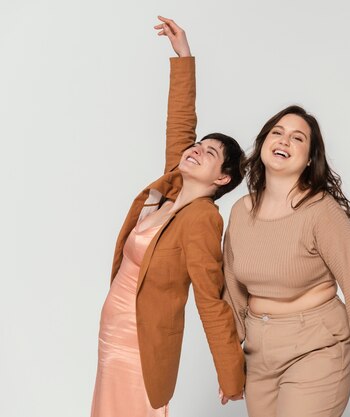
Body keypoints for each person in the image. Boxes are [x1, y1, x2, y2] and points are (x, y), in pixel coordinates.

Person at [90, 17, 245, 417]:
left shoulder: (201, 220)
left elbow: (210, 299)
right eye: (197, 145)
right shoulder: (173, 187)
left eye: (209, 153)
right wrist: (184, 56)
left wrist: (231, 375)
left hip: (140, 345)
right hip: (114, 332)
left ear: (222, 178)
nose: (196, 150)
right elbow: (181, 125)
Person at [222, 105, 350, 417]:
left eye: (297, 138)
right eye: (277, 133)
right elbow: (234, 291)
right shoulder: (240, 211)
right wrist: (226, 360)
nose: (284, 141)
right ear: (263, 143)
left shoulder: (320, 210)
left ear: (309, 159)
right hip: (258, 352)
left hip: (316, 347)